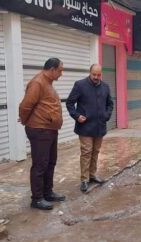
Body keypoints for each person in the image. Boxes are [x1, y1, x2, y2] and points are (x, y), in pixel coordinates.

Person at [19, 58, 66, 210]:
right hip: (40, 130)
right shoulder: (38, 82)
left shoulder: (48, 83)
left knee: (50, 162)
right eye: (60, 70)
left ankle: (48, 192)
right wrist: (27, 121)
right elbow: (25, 105)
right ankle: (37, 199)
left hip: (49, 130)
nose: (61, 74)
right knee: (40, 165)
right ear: (52, 70)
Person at [66, 64, 114, 192]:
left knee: (96, 152)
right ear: (90, 72)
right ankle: (84, 179)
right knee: (86, 152)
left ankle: (92, 175)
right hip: (85, 126)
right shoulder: (80, 85)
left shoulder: (105, 87)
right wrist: (76, 116)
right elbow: (70, 102)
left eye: (98, 75)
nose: (96, 77)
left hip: (100, 126)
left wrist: (107, 115)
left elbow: (110, 104)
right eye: (94, 74)